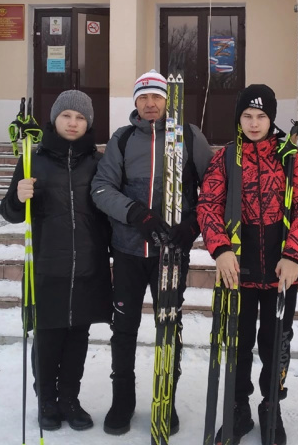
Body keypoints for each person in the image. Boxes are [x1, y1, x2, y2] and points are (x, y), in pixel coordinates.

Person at [91, 70, 214, 435]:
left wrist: (192, 224)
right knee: (124, 327)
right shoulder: (123, 138)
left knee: (169, 325)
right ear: (135, 102)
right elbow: (101, 187)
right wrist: (134, 213)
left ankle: (166, 398)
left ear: (167, 99)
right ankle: (122, 402)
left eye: (156, 97)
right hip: (129, 251)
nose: (150, 104)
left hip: (172, 254)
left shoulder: (190, 137)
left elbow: (213, 187)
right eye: (143, 97)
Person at [197, 84, 298, 445]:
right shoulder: (226, 158)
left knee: (275, 342)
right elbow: (208, 206)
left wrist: (294, 255)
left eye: (261, 116)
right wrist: (220, 249)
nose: (254, 123)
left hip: (281, 270)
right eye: (247, 116)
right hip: (238, 269)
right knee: (237, 342)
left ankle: (271, 405)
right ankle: (238, 407)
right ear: (239, 119)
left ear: (271, 119)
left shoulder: (292, 157)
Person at [0, 90, 113, 432]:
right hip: (47, 265)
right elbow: (9, 214)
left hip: (88, 265)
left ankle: (70, 399)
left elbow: (106, 213)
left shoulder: (98, 163)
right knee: (48, 337)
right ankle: (46, 400)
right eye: (67, 116)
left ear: (88, 123)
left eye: (80, 118)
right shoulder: (32, 158)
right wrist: (19, 198)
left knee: (78, 337)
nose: (73, 123)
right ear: (55, 119)